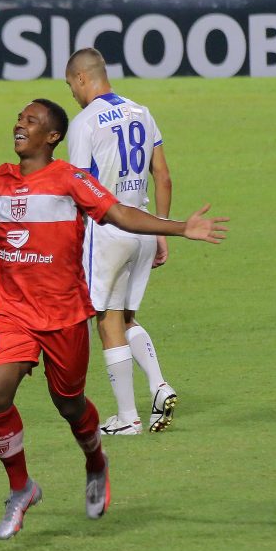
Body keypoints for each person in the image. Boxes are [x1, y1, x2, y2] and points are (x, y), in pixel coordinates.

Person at [0, 99, 228, 540]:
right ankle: (21, 487)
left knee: (69, 404)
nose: (20, 124)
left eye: (31, 121)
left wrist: (178, 227)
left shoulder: (70, 180)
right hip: (12, 310)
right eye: (19, 118)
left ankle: (95, 461)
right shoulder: (3, 177)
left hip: (63, 314)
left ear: (52, 136)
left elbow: (119, 213)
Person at [66, 47, 175, 435]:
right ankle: (159, 386)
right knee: (126, 317)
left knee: (107, 320)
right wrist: (160, 229)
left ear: (82, 78)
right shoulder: (142, 112)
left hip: (107, 231)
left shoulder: (84, 123)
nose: (72, 94)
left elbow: (77, 188)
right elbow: (163, 176)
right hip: (143, 227)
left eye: (71, 85)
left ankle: (128, 417)